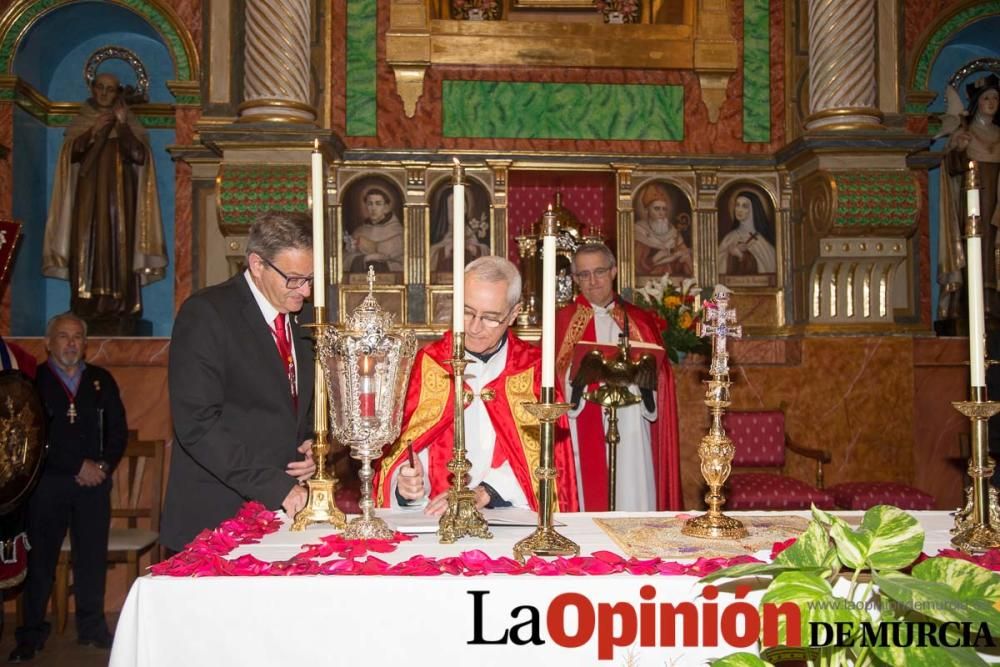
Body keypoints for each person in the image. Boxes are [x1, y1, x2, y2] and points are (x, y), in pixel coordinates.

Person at [160, 211, 317, 554]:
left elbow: (297, 406)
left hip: (282, 519)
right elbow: (198, 425)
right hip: (216, 516)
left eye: (310, 278)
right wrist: (278, 488)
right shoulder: (207, 314)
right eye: (293, 279)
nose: (305, 291)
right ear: (257, 264)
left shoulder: (304, 320)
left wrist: (313, 445)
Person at [374, 256, 578, 514]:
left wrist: (488, 491)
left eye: (490, 317)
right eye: (467, 311)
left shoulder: (534, 368)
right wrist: (408, 483)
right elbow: (408, 449)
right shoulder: (431, 363)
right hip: (438, 520)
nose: (473, 327)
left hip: (513, 515)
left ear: (514, 314)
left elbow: (548, 457)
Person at [11, 313, 127, 661]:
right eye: (63, 336)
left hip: (93, 486)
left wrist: (103, 465)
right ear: (48, 343)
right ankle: (30, 634)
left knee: (91, 558)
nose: (71, 343)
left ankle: (92, 628)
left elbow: (118, 432)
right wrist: (76, 465)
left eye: (77, 337)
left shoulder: (100, 381)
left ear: (85, 343)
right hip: (48, 485)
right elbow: (29, 438)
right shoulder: (32, 381)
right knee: (40, 562)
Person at [556, 243, 682, 512]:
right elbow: (551, 382)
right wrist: (575, 383)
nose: (593, 281)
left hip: (631, 424)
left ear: (613, 271)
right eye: (584, 274)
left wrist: (644, 384)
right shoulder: (563, 322)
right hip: (582, 424)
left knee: (631, 487)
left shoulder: (638, 320)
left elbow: (661, 379)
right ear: (575, 279)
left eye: (599, 271)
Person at [42, 72, 167, 333]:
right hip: (86, 201)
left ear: (117, 93)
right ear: (92, 88)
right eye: (99, 87)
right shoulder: (83, 121)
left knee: (118, 250)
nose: (103, 93)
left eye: (110, 89)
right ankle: (84, 305)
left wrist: (121, 126)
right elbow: (71, 155)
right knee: (86, 247)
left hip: (121, 203)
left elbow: (139, 155)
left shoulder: (127, 123)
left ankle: (120, 306)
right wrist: (93, 132)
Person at [939, 74, 1000, 325]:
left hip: (997, 203)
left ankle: (992, 300)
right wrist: (959, 151)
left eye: (996, 98)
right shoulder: (965, 133)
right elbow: (952, 167)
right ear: (976, 102)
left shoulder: (999, 133)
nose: (992, 102)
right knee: (974, 247)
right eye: (986, 98)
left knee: (993, 247)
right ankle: (968, 300)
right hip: (971, 202)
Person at [634, 184, 693, 278]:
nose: (661, 213)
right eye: (657, 209)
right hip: (648, 280)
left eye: (664, 209)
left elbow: (683, 255)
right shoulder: (639, 230)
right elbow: (637, 264)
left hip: (675, 282)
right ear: (646, 210)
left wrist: (679, 256)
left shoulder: (673, 231)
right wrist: (655, 258)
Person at [428, 190, 491, 274]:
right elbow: (428, 256)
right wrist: (445, 250)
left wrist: (475, 249)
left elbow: (489, 254)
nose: (458, 211)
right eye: (453, 206)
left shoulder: (472, 231)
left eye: (462, 206)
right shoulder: (440, 232)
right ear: (446, 210)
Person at [343, 187, 404, 274]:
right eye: (370, 204)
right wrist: (368, 258)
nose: (373, 208)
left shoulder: (398, 232)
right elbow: (344, 259)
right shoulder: (359, 231)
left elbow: (403, 263)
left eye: (378, 204)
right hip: (360, 280)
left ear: (386, 207)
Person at [717, 190, 777, 275]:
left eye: (744, 206)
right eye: (737, 205)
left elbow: (769, 267)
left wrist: (741, 255)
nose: (739, 210)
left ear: (753, 210)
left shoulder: (762, 242)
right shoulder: (729, 238)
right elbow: (716, 265)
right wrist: (730, 253)